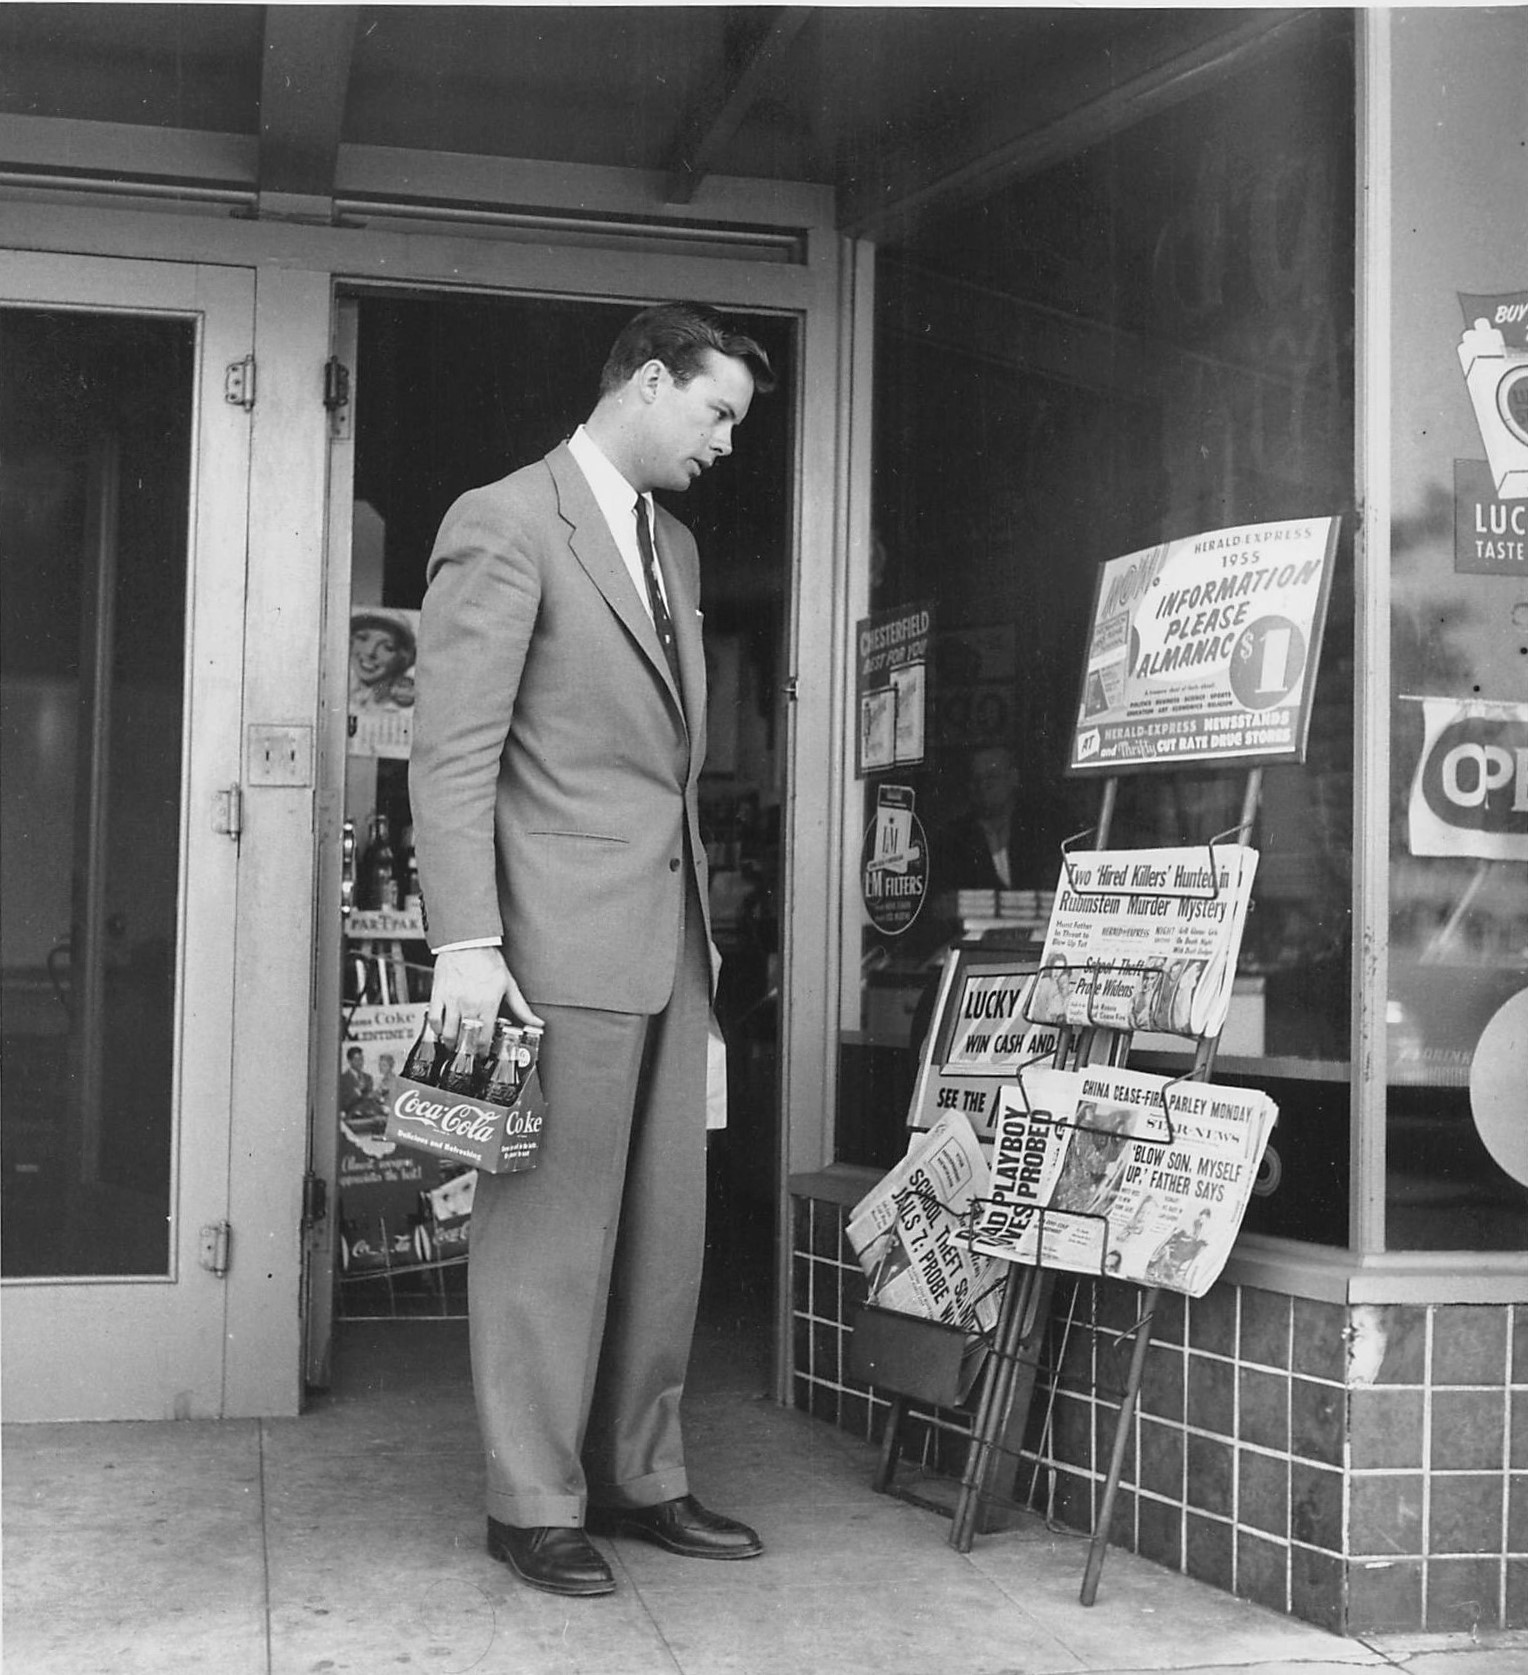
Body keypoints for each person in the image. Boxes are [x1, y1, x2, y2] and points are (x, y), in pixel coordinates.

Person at [409, 301, 775, 1600]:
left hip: (670, 948)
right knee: (548, 1234)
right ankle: (531, 1502)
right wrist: (465, 941)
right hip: (549, 945)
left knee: (665, 1234)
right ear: (643, 381)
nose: (728, 441)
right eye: (717, 410)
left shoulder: (670, 542)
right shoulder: (505, 521)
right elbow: (450, 752)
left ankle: (642, 1476)